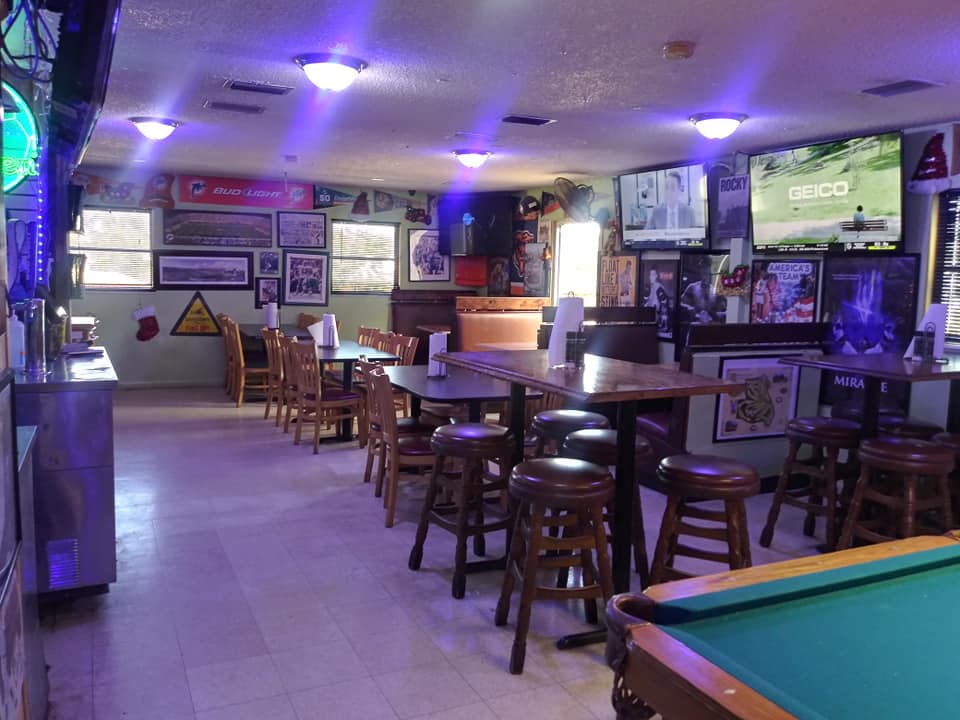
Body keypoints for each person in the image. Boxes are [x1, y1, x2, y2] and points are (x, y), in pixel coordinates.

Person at [644, 267, 671, 331]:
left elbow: (665, 304)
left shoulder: (659, 287)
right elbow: (647, 302)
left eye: (653, 275)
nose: (651, 277)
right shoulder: (649, 287)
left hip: (655, 319)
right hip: (648, 319)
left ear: (656, 276)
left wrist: (663, 323)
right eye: (650, 275)